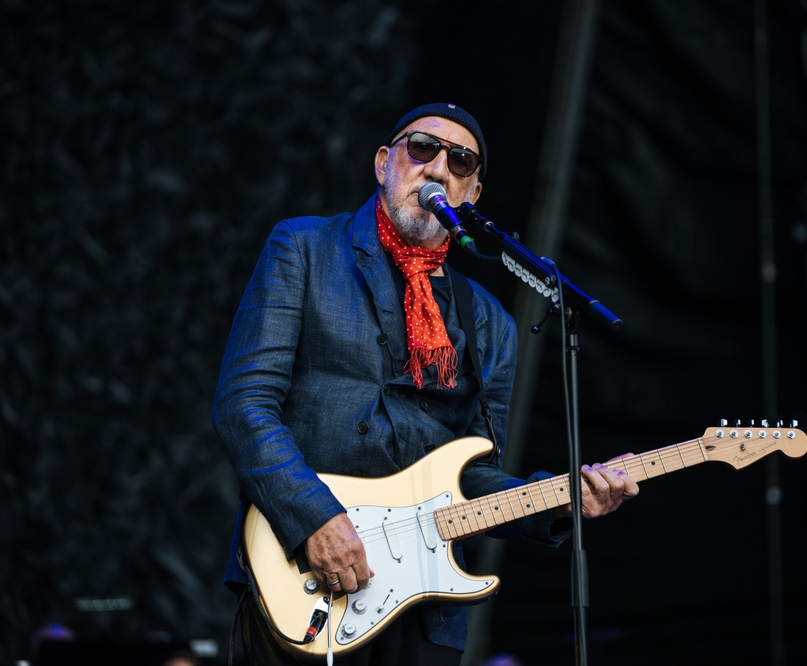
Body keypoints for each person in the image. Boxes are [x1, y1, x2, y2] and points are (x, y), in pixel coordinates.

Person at [211, 103, 638, 665]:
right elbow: (244, 404)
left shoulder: (489, 321)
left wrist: (562, 500)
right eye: (421, 148)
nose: (438, 167)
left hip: (424, 607)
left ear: (472, 193)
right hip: (301, 571)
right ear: (383, 162)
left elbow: (473, 477)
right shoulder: (306, 248)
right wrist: (314, 518)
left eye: (460, 161)